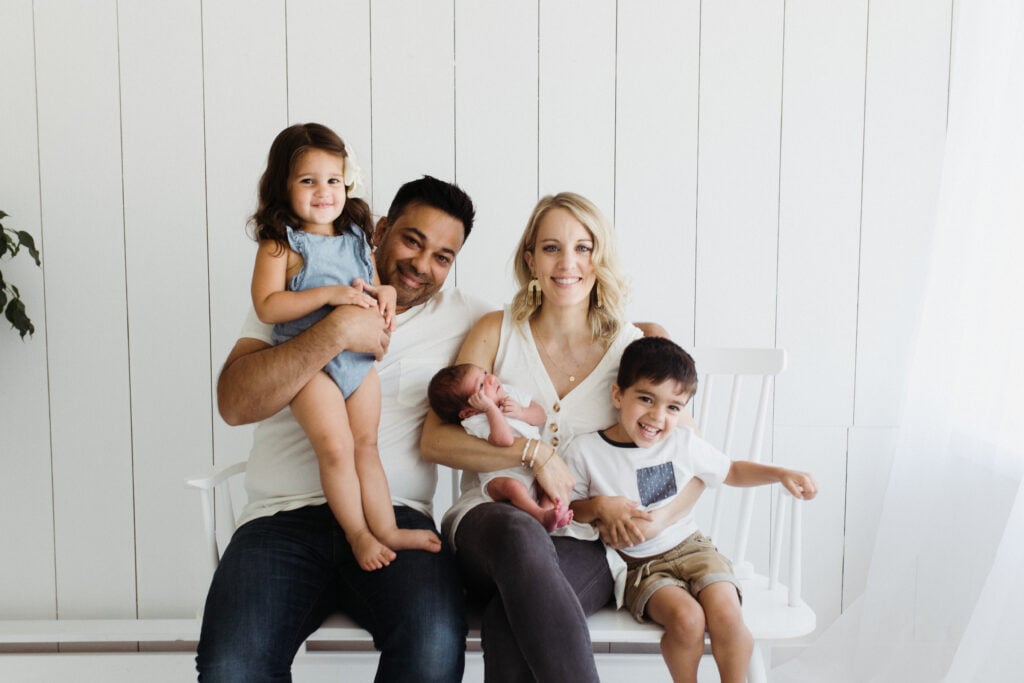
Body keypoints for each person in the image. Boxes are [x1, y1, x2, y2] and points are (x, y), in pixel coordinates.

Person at [196, 174, 488, 682]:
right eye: (412, 240)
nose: (422, 265)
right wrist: (335, 330)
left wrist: (644, 336)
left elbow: (557, 328)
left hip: (393, 521)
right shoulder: (302, 287)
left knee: (433, 648)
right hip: (281, 520)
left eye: (442, 256)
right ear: (379, 229)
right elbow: (235, 404)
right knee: (232, 667)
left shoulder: (468, 319)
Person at [421, 191, 683, 682]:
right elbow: (434, 441)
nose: (568, 263)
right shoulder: (496, 331)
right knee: (519, 533)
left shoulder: (632, 348)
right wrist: (533, 451)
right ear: (530, 259)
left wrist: (641, 516)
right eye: (551, 248)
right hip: (490, 525)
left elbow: (679, 450)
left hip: (584, 539)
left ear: (599, 258)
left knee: (508, 620)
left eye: (583, 248)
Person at [564, 336, 818, 683]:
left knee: (727, 613)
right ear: (618, 395)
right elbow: (568, 510)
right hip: (638, 565)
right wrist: (597, 506)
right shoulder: (585, 451)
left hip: (692, 548)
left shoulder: (681, 443)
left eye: (673, 407)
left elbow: (730, 470)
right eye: (645, 399)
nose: (657, 416)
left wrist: (779, 473)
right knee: (688, 620)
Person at [249, 122, 440, 570]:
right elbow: (268, 306)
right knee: (335, 448)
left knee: (365, 445)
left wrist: (387, 294)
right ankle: (358, 535)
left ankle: (387, 527)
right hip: (311, 367)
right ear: (283, 185)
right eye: (308, 181)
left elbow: (373, 287)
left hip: (356, 363)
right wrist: (328, 296)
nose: (323, 192)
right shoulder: (280, 246)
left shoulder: (356, 236)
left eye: (333, 180)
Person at [427, 363, 573, 531]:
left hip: (533, 469)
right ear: (469, 411)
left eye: (485, 373)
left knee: (549, 486)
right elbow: (505, 440)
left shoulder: (508, 393)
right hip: (501, 475)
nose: (491, 379)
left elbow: (541, 415)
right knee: (513, 487)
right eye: (481, 385)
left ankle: (551, 514)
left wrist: (522, 413)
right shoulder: (475, 421)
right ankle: (538, 513)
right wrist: (491, 409)